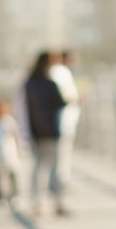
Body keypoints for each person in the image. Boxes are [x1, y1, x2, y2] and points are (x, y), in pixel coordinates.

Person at [23, 51, 69, 217]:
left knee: (37, 168)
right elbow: (60, 102)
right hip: (51, 131)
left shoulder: (29, 83)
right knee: (54, 169)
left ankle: (37, 203)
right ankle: (57, 203)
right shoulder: (50, 84)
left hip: (35, 131)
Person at [48, 49, 81, 204]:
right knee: (61, 152)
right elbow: (62, 95)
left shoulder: (59, 72)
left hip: (65, 117)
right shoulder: (59, 72)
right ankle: (58, 181)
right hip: (62, 118)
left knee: (62, 152)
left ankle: (60, 180)